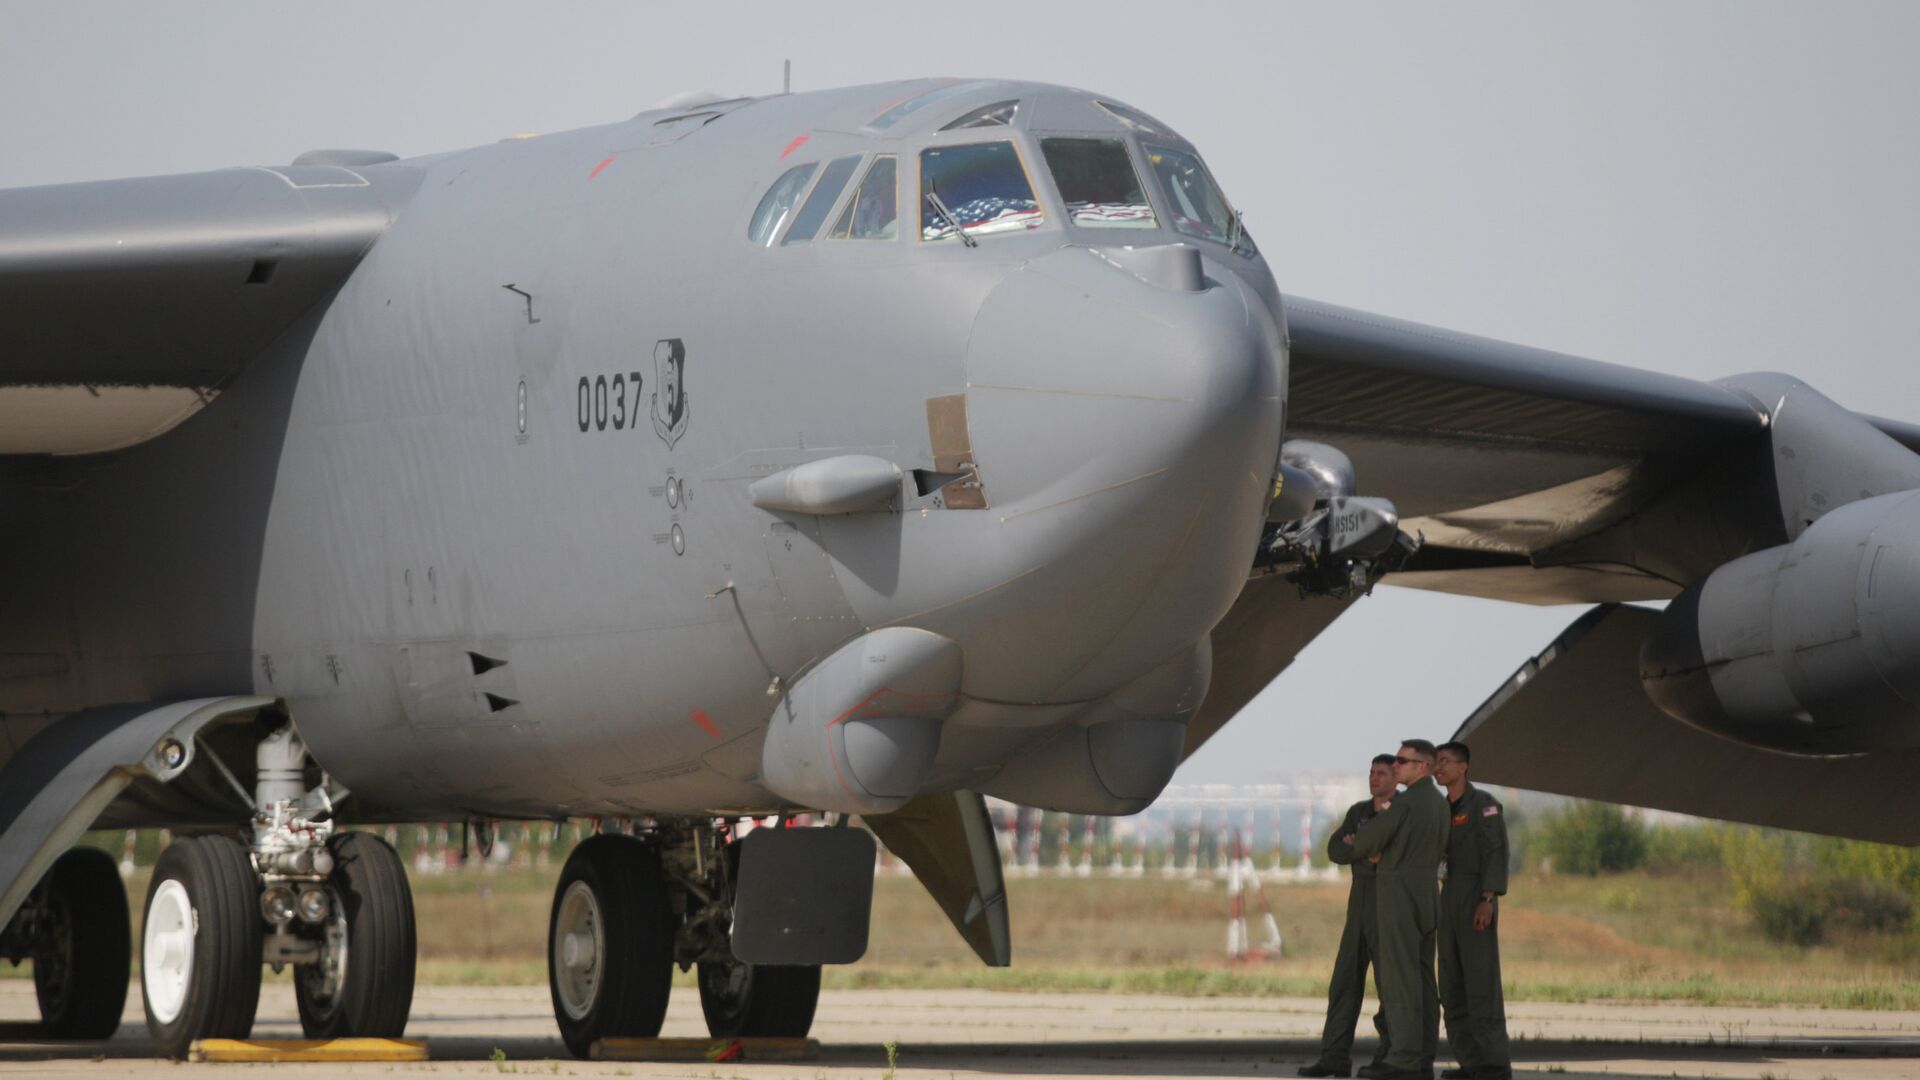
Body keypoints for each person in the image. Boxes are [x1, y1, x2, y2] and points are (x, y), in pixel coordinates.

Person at [1352, 740, 1449, 1080]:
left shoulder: (1405, 804)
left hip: (1399, 897)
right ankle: (1423, 1056)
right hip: (1426, 896)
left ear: (1422, 766)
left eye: (1402, 761)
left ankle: (1404, 1058)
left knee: (1400, 980)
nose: (1396, 766)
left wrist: (1374, 844)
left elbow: (1365, 842)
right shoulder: (1439, 803)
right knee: (1423, 979)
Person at [1298, 754, 1400, 1078]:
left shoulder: (1404, 811)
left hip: (1389, 905)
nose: (1375, 778)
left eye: (1382, 773)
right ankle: (1334, 1057)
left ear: (1396, 777)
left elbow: (1400, 855)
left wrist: (1364, 850)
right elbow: (1334, 849)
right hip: (1358, 905)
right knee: (1344, 982)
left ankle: (1390, 1055)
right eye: (1371, 772)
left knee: (1391, 986)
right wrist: (1366, 851)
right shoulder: (1359, 812)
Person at [1432, 742, 1511, 1080]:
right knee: (1451, 984)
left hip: (1475, 895)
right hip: (1446, 897)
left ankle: (1494, 1064)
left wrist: (1487, 898)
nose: (1439, 768)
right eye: (1436, 763)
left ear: (1464, 767)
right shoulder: (1439, 809)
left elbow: (1495, 851)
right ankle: (1470, 1063)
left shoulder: (1484, 806)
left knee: (1481, 984)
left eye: (1445, 762)